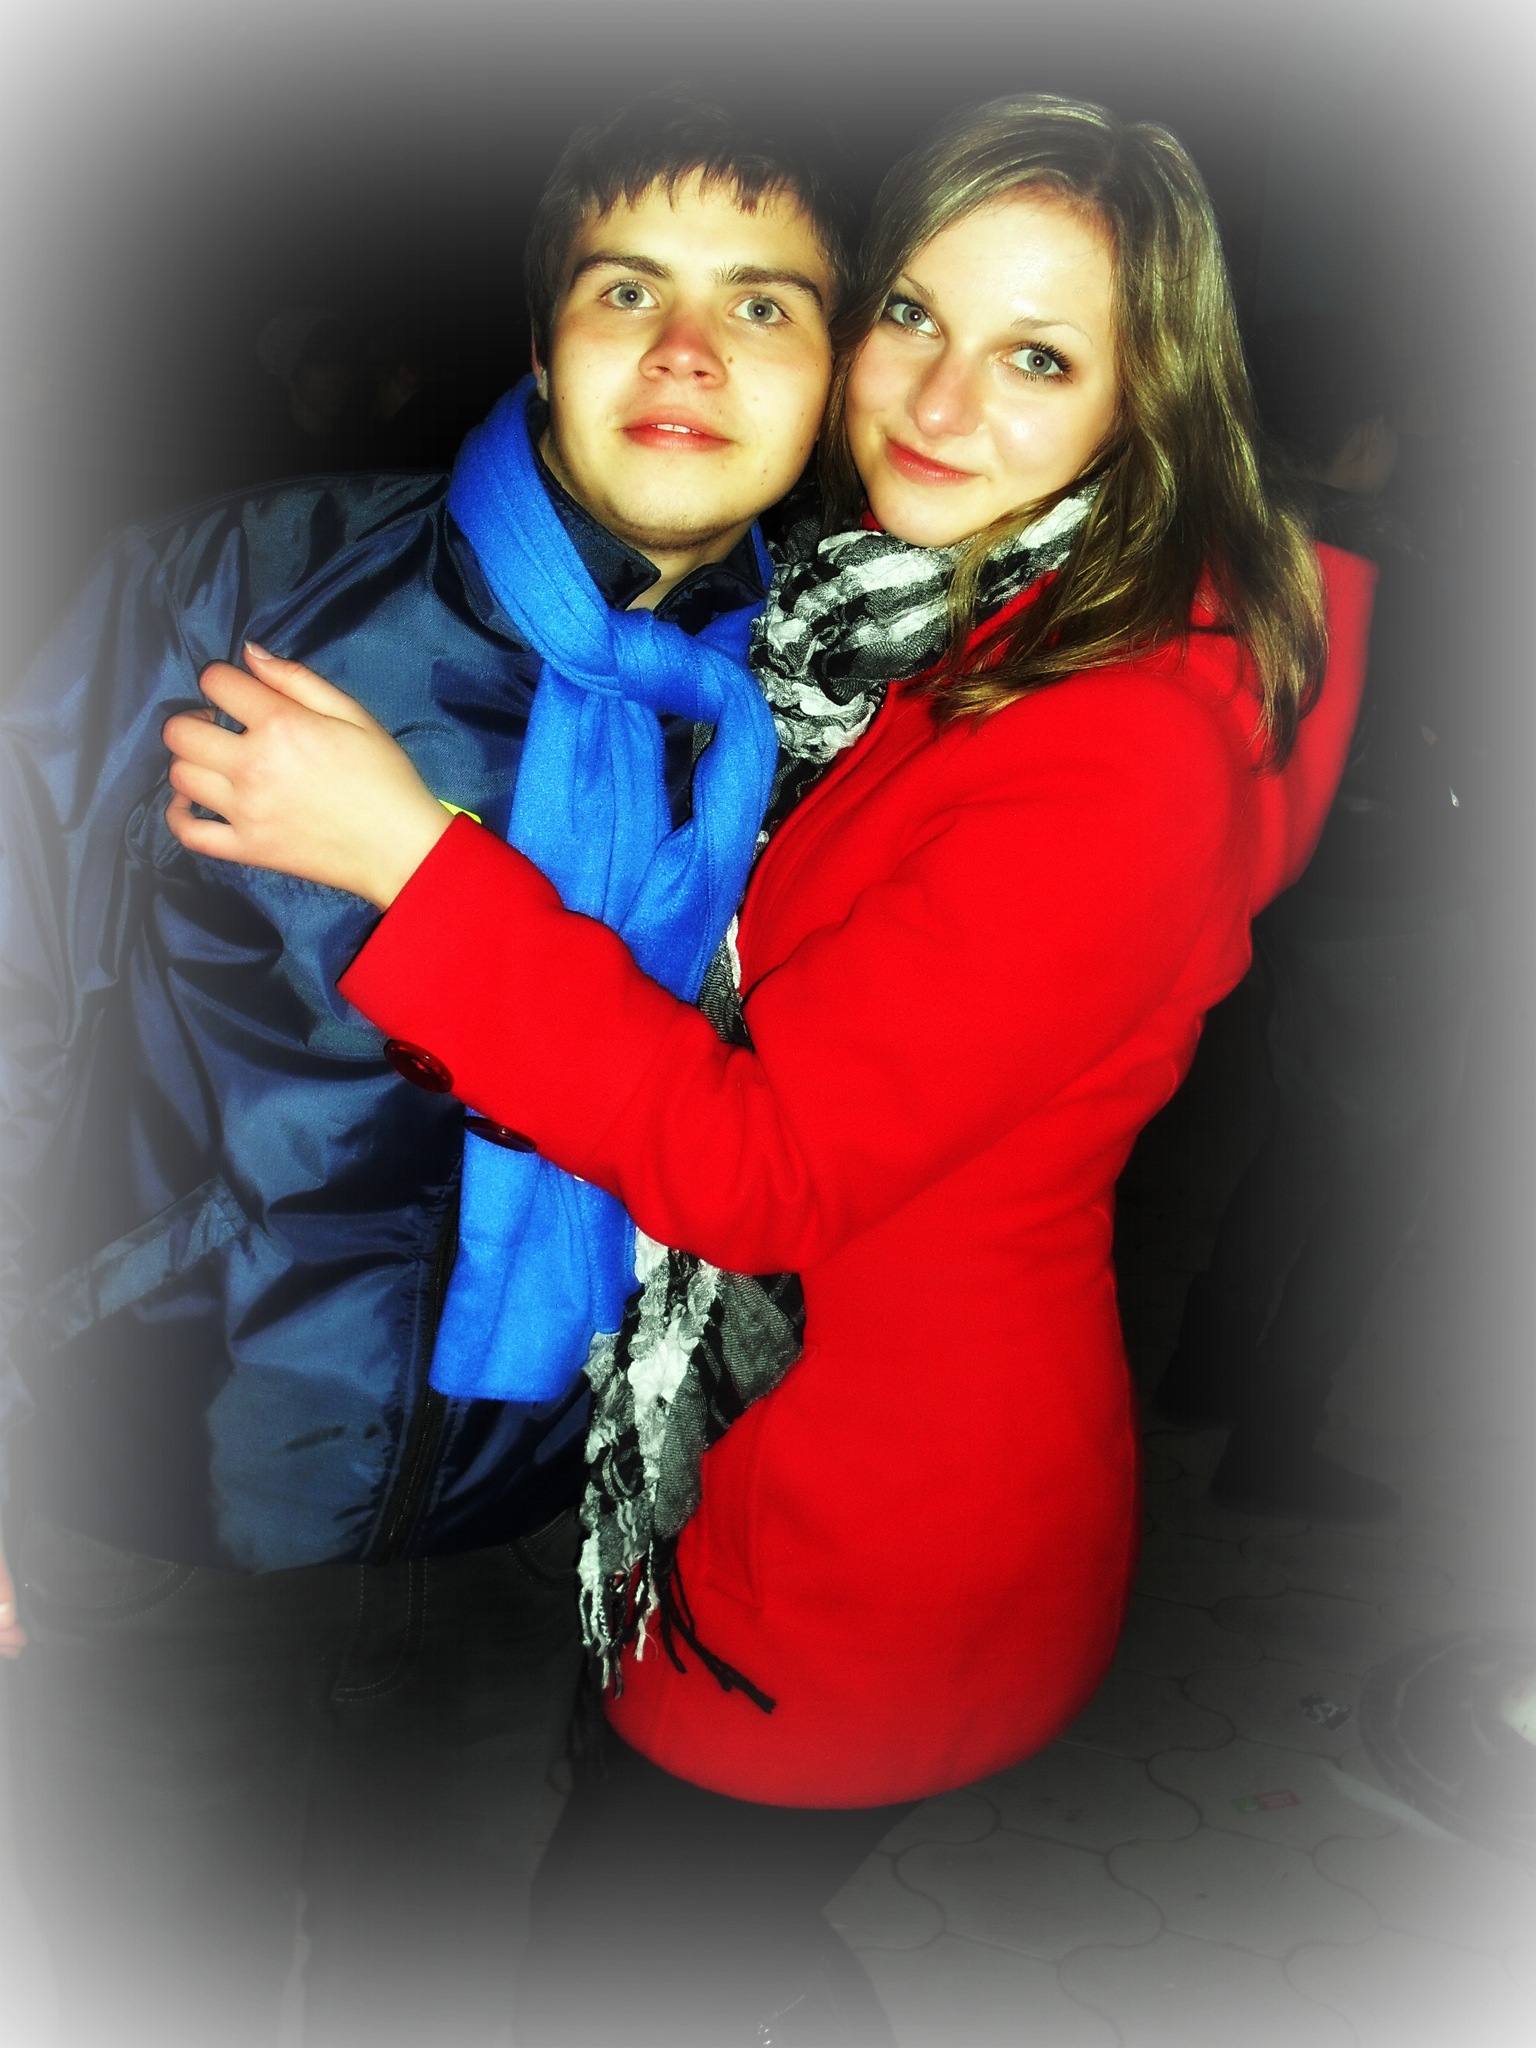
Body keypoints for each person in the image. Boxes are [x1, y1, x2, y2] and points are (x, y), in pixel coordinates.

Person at [163, 95, 1374, 2047]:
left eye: (1040, 357)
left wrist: (410, 858)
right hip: (739, 1452)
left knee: (622, 1957)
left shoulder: (1118, 743)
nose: (941, 400)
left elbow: (761, 1165)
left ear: (1148, 406)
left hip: (867, 1530)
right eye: (914, 314)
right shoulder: (905, 622)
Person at [0, 92, 846, 2048]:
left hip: (517, 1520)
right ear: (543, 335)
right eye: (627, 287)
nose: (688, 350)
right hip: (166, 1487)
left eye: (763, 305)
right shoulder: (231, 586)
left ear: (830, 380)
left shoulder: (799, 722)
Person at [1156, 315, 1476, 1519]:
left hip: (1289, 881)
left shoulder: (1234, 536)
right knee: (1383, 1174)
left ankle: (1207, 1361)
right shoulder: (1380, 555)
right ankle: (1279, 1438)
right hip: (1392, 892)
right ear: (1359, 434)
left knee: (1306, 1131)